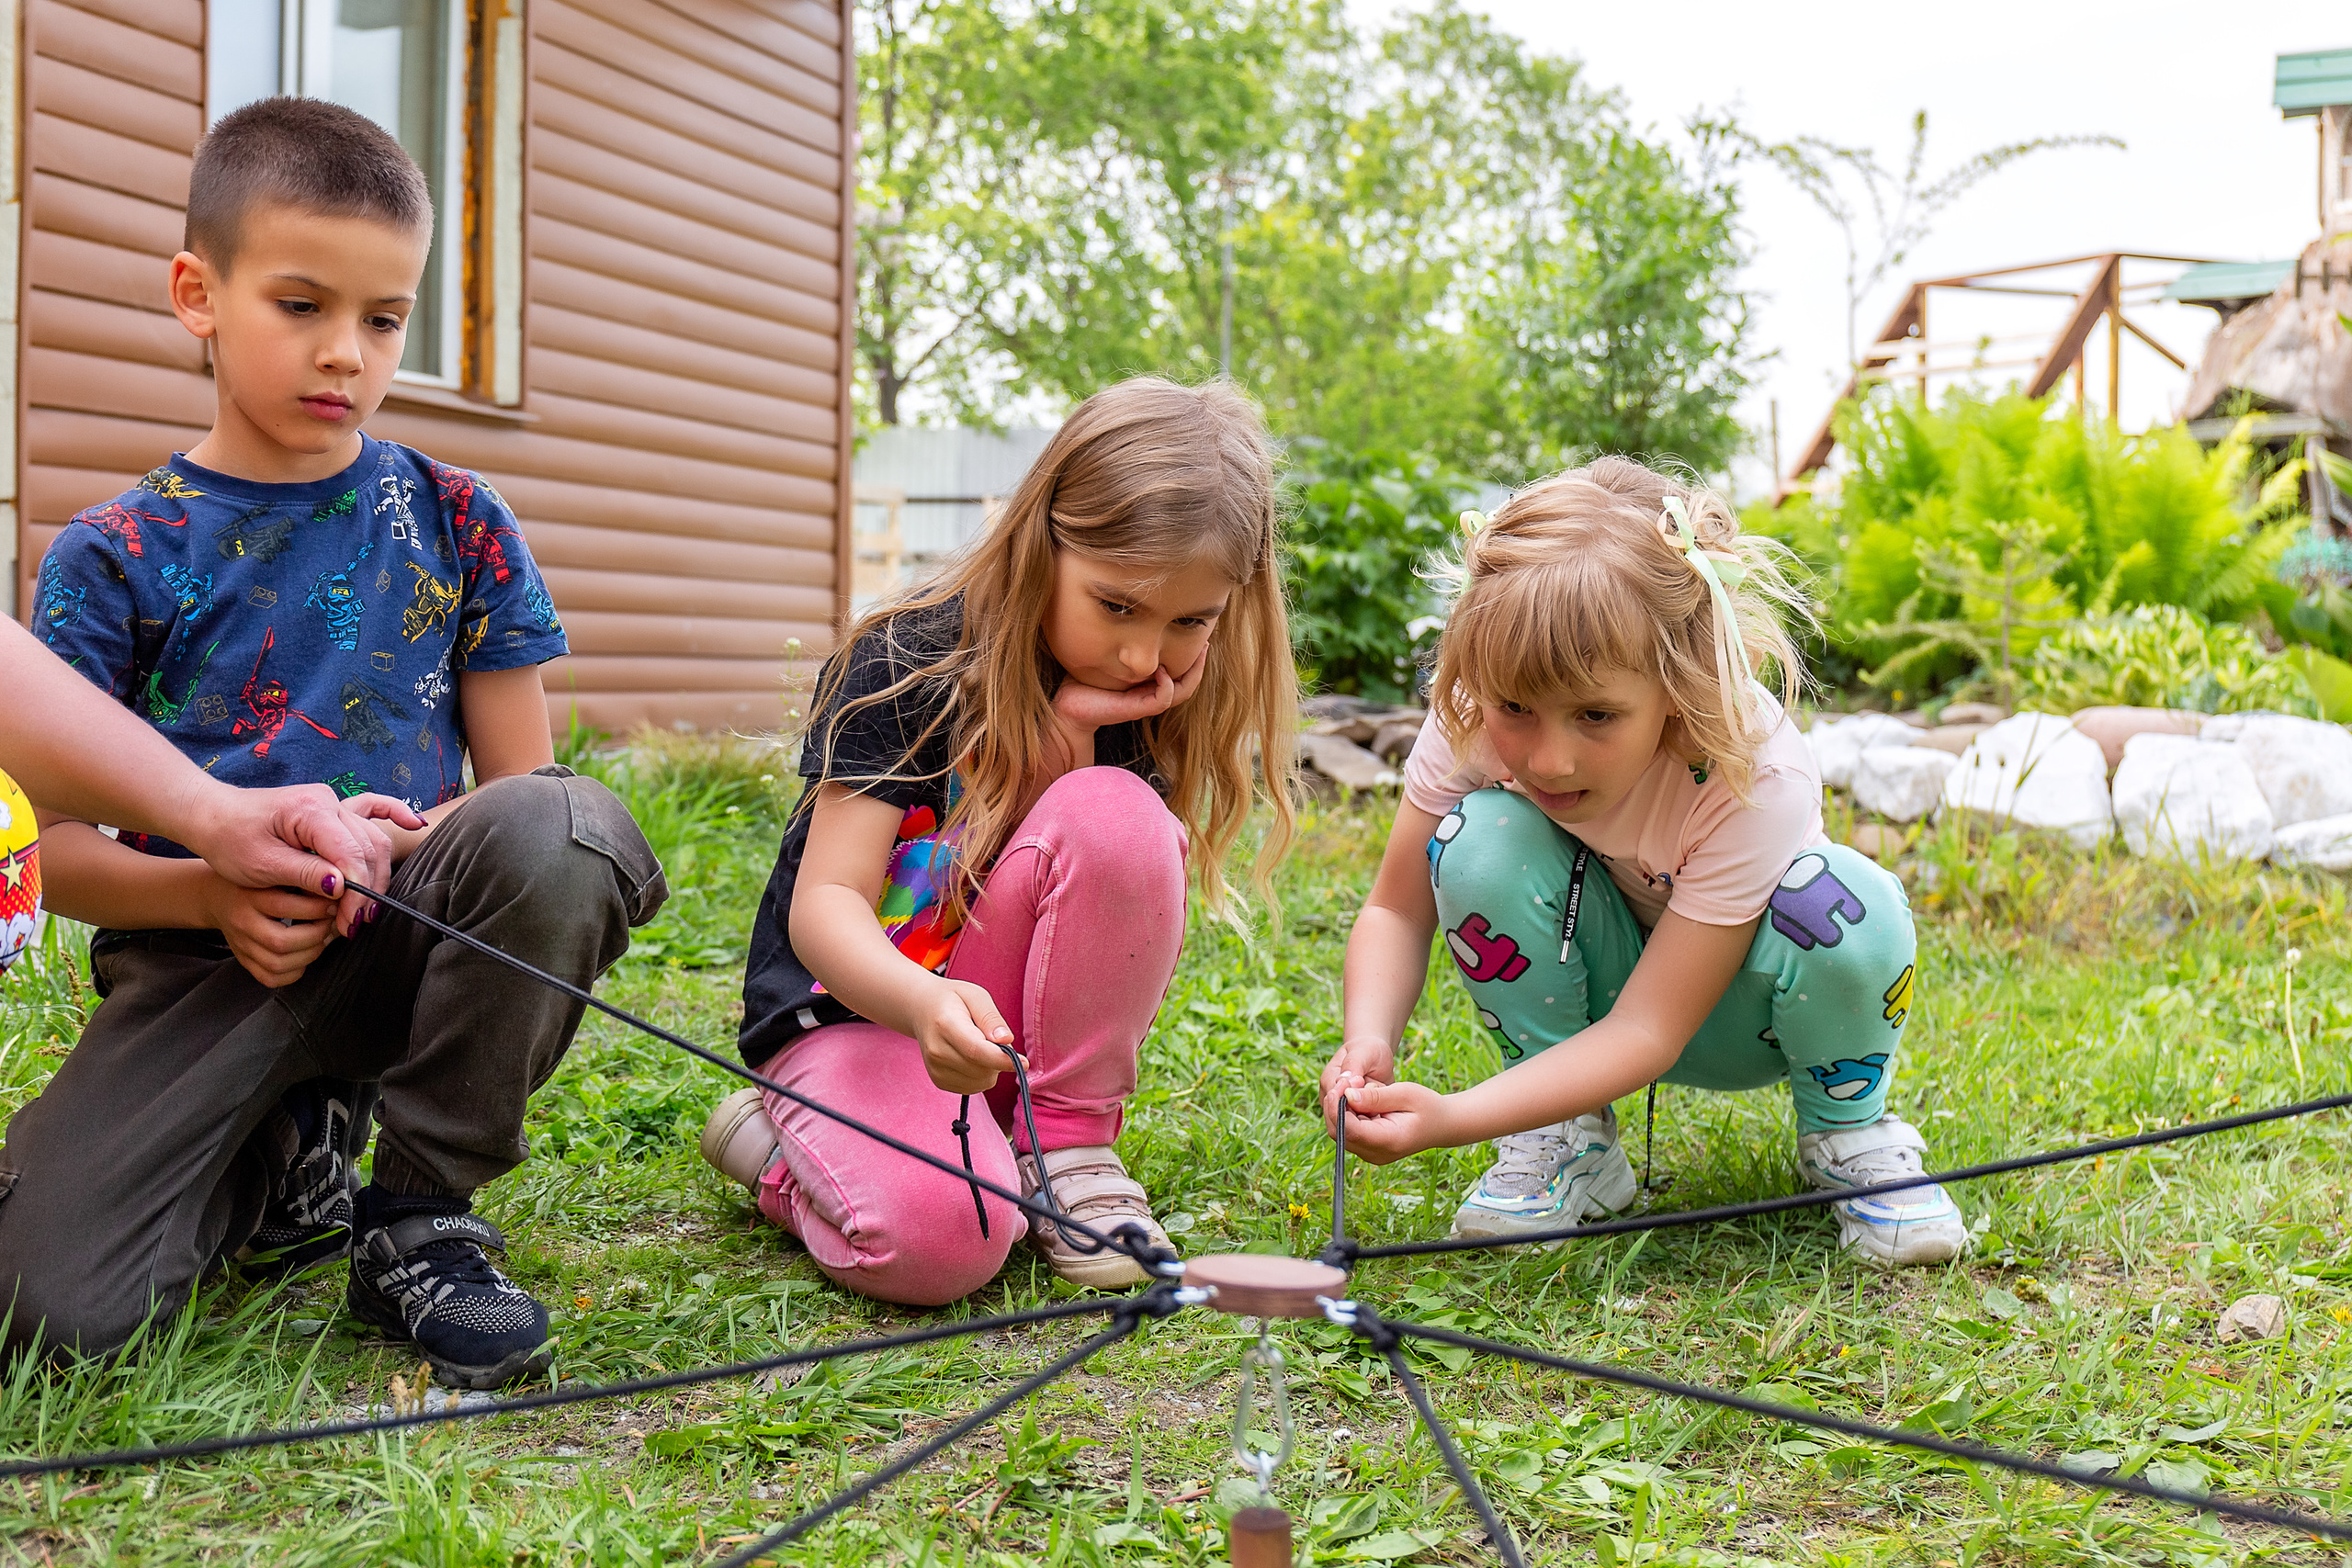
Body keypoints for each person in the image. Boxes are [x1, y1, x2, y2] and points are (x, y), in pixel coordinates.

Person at [0, 97, 664, 1387]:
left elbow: (525, 804)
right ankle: (279, 1159)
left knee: (563, 827)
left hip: (413, 927)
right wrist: (209, 885)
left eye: (382, 317)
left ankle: (417, 1211)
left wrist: (437, 840)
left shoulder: (460, 518)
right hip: (200, 960)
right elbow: (53, 851)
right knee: (54, 1306)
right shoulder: (110, 555)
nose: (345, 353)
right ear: (198, 292)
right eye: (300, 304)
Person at [702, 378, 1297, 1304]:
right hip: (859, 1012)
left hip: (996, 1042)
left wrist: (1071, 753)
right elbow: (828, 908)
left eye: (1192, 621)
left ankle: (1063, 1144)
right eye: (1117, 606)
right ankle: (779, 1153)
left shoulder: (1140, 700)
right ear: (1042, 538)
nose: (1146, 658)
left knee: (1117, 814)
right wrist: (916, 1004)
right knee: (947, 1245)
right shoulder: (907, 660)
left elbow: (1089, 909)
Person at [1319, 457, 1964, 1268]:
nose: (1548, 759)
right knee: (1477, 837)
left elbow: (1651, 1030)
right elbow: (1395, 908)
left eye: (1597, 714)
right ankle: (1566, 1136)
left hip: (1738, 1013)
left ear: (1677, 681)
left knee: (1851, 905)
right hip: (1592, 995)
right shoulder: (1475, 710)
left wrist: (1453, 1117)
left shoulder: (1751, 769)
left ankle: (1847, 1134)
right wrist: (1367, 1038)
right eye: (1517, 708)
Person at [0, 614, 420, 973]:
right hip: (178, 973)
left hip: (410, 940)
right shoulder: (104, 546)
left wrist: (355, 840)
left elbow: (489, 804)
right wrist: (208, 891)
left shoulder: (459, 526)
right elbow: (48, 842)